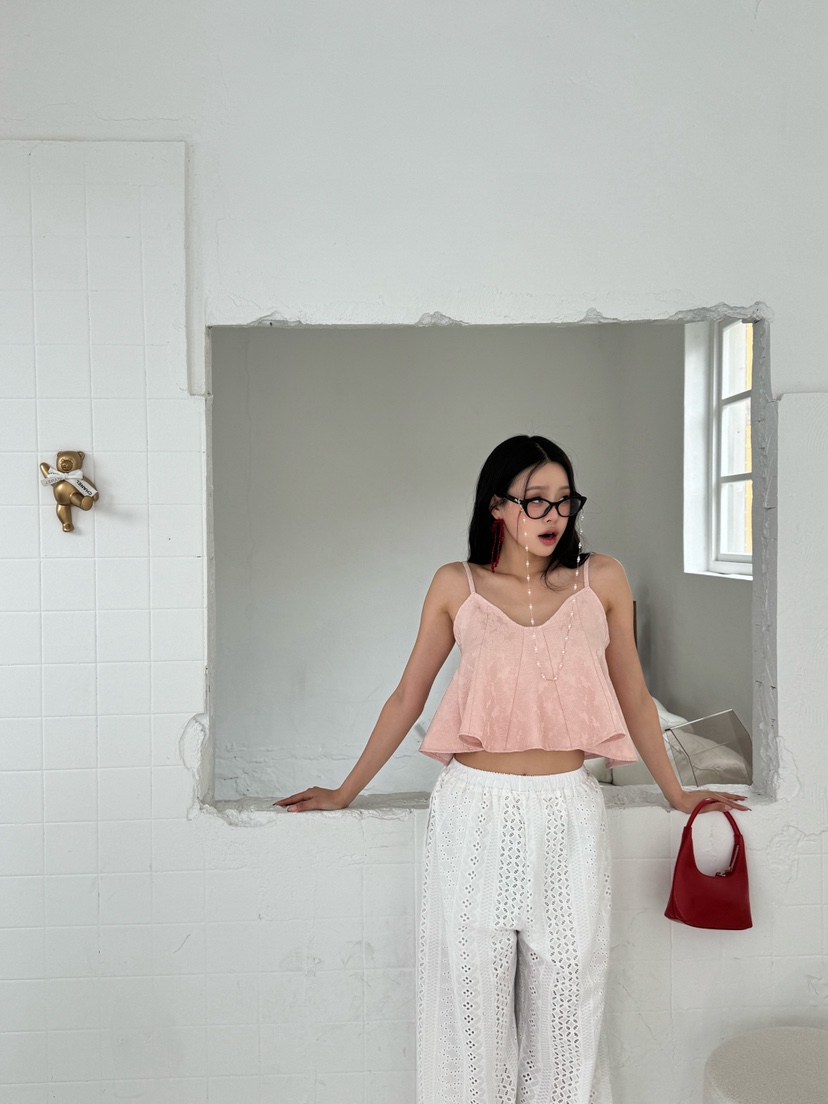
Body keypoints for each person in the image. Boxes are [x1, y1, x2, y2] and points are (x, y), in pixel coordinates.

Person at [274, 434, 750, 1103]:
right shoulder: (456, 585)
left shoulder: (603, 580)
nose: (554, 515)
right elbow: (407, 697)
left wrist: (675, 793)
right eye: (535, 501)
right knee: (471, 1006)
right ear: (497, 506)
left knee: (571, 1002)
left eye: (565, 500)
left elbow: (635, 697)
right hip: (473, 810)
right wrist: (344, 791)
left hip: (568, 810)